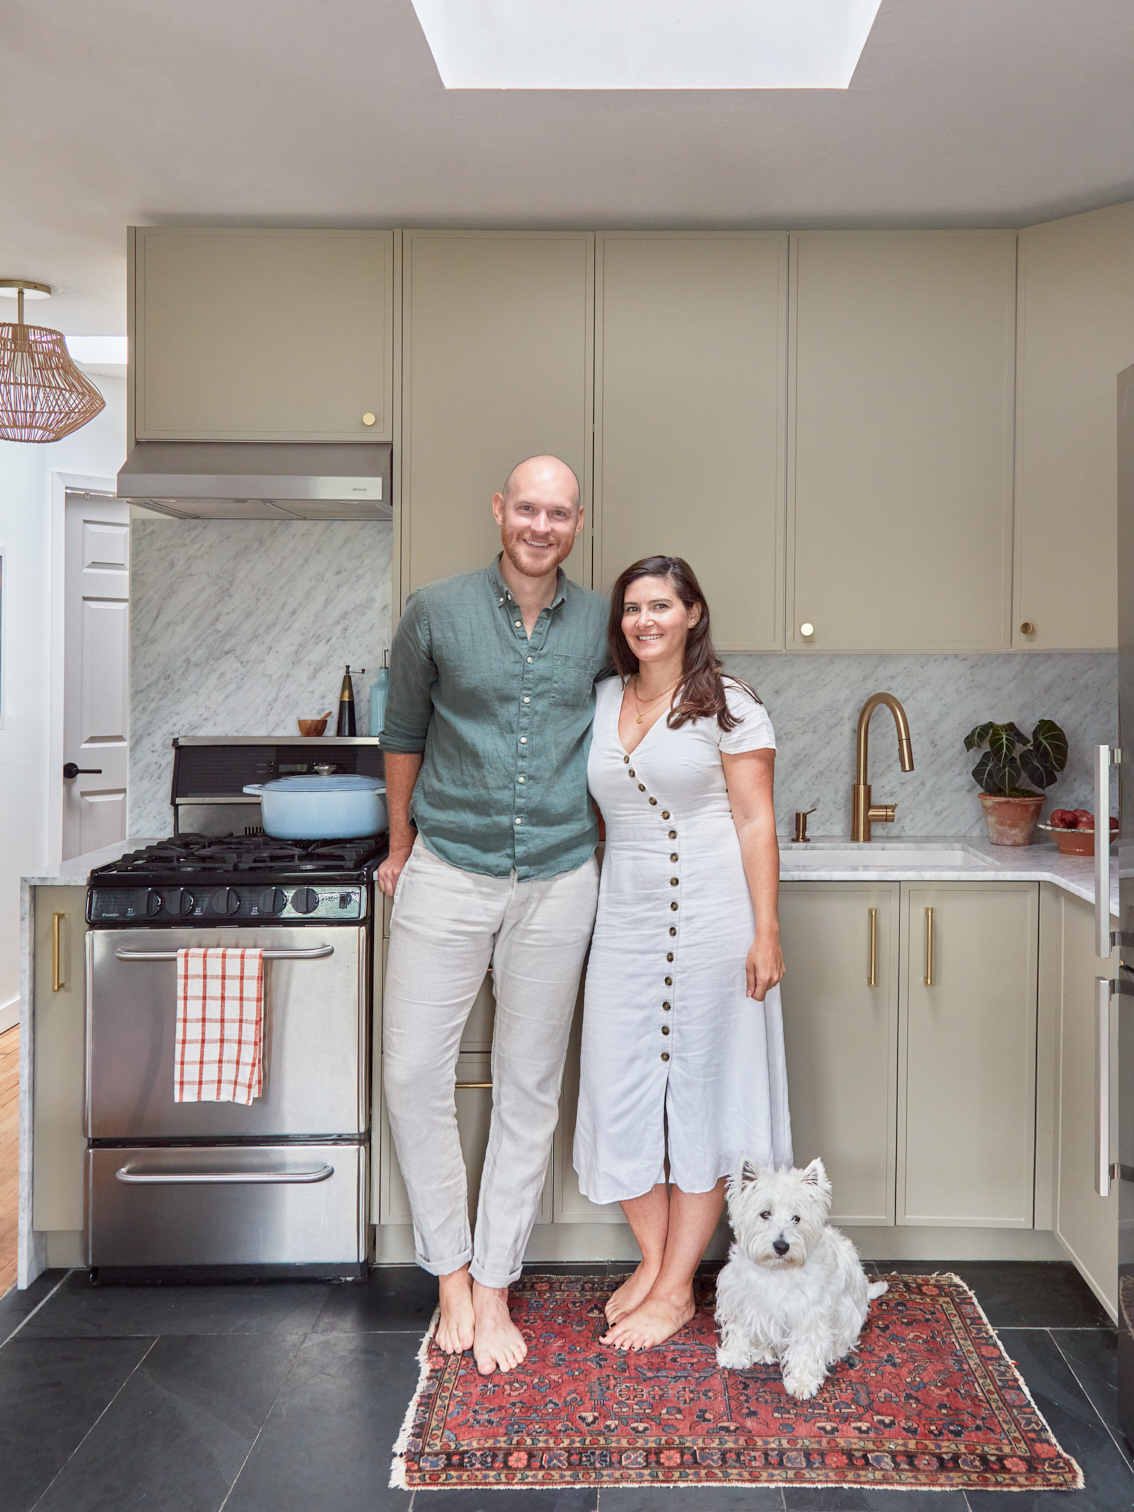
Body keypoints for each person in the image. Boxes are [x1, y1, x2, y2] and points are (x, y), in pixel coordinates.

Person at [378, 455, 608, 1376]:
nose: (540, 526)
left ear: (577, 523)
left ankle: (497, 1281)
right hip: (447, 865)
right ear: (499, 512)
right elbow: (402, 733)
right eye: (527, 508)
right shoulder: (435, 610)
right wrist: (398, 846)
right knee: (410, 1075)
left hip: (559, 877)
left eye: (557, 513)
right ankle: (450, 1269)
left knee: (529, 1085)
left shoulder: (602, 622)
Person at [573, 555, 792, 1351]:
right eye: (633, 607)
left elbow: (755, 821)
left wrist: (765, 929)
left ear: (693, 613)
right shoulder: (602, 700)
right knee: (620, 1092)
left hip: (712, 917)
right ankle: (657, 1261)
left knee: (703, 1095)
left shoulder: (730, 706)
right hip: (625, 919)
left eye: (661, 605)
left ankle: (673, 1290)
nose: (645, 620)